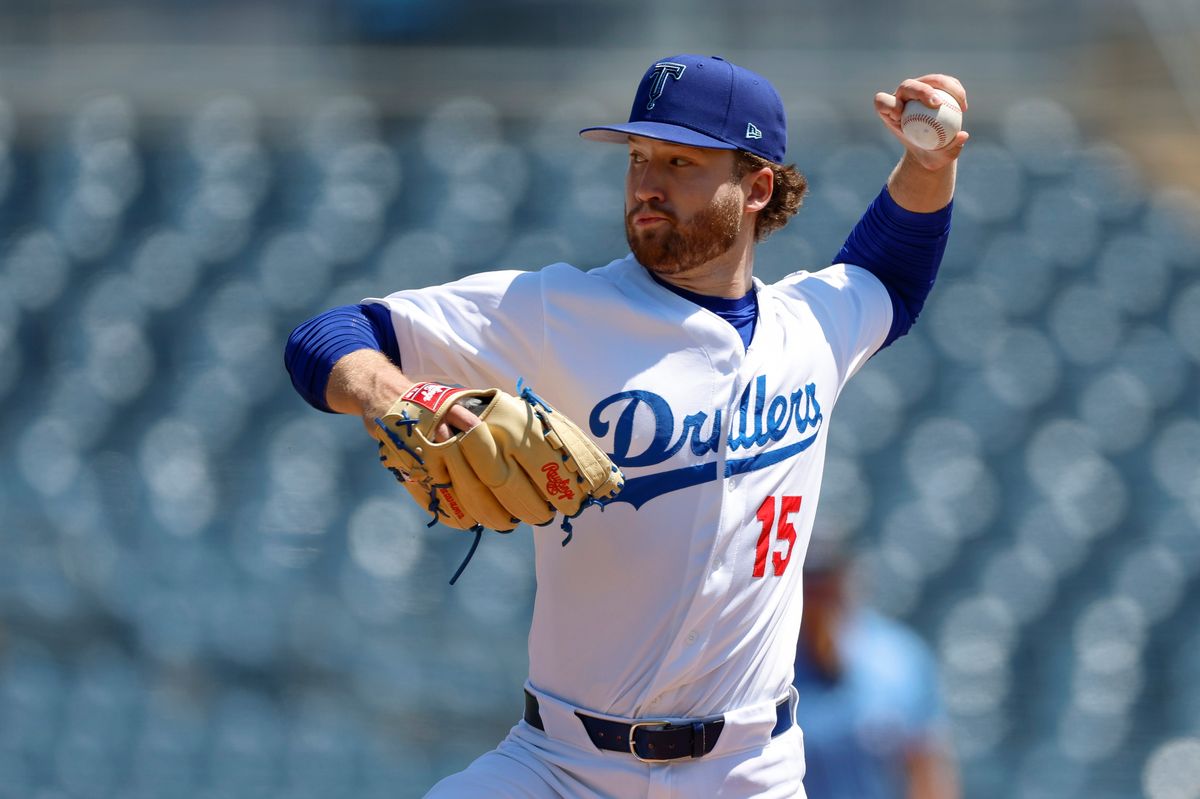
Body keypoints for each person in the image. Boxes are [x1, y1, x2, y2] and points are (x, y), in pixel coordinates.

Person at [284, 54, 967, 797]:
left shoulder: (810, 329)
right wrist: (395, 395)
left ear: (757, 186)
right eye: (639, 158)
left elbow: (889, 276)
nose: (648, 182)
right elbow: (326, 337)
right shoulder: (557, 312)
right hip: (561, 766)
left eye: (680, 160)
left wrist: (930, 165)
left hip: (749, 772)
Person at [794, 537, 960, 799]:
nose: (818, 591)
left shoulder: (897, 657)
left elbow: (927, 768)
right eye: (809, 580)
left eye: (825, 578)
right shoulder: (774, 667)